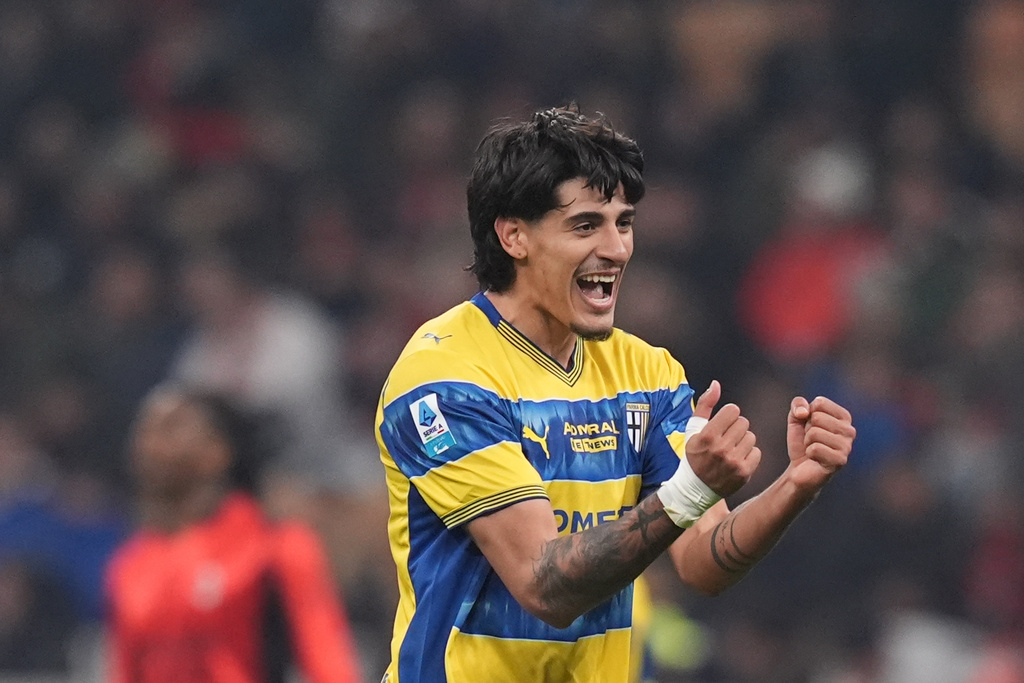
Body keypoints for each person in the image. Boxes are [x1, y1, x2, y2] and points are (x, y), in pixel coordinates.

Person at [374, 105, 857, 683]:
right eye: (585, 226)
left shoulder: (646, 373)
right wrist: (689, 490)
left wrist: (794, 487)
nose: (617, 248)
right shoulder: (446, 378)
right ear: (514, 235)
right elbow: (544, 585)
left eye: (622, 223)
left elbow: (703, 561)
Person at [105, 385, 362, 683]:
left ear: (218, 451)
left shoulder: (274, 545)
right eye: (143, 431)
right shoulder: (129, 564)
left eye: (170, 428)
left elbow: (329, 664)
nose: (149, 444)